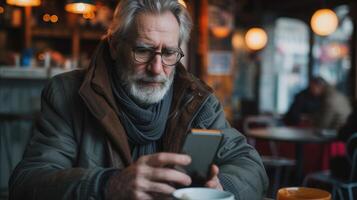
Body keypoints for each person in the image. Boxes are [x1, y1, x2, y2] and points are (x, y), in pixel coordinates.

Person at [9, 0, 268, 199]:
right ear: (114, 46)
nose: (157, 68)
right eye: (143, 50)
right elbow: (27, 183)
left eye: (168, 53)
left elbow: (251, 166)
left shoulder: (197, 101)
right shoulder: (66, 93)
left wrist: (222, 187)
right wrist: (108, 185)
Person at [284, 77, 351, 129]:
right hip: (342, 131)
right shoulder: (332, 94)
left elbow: (323, 124)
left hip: (337, 134)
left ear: (319, 86)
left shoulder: (329, 99)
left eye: (312, 87)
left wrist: (311, 121)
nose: (311, 90)